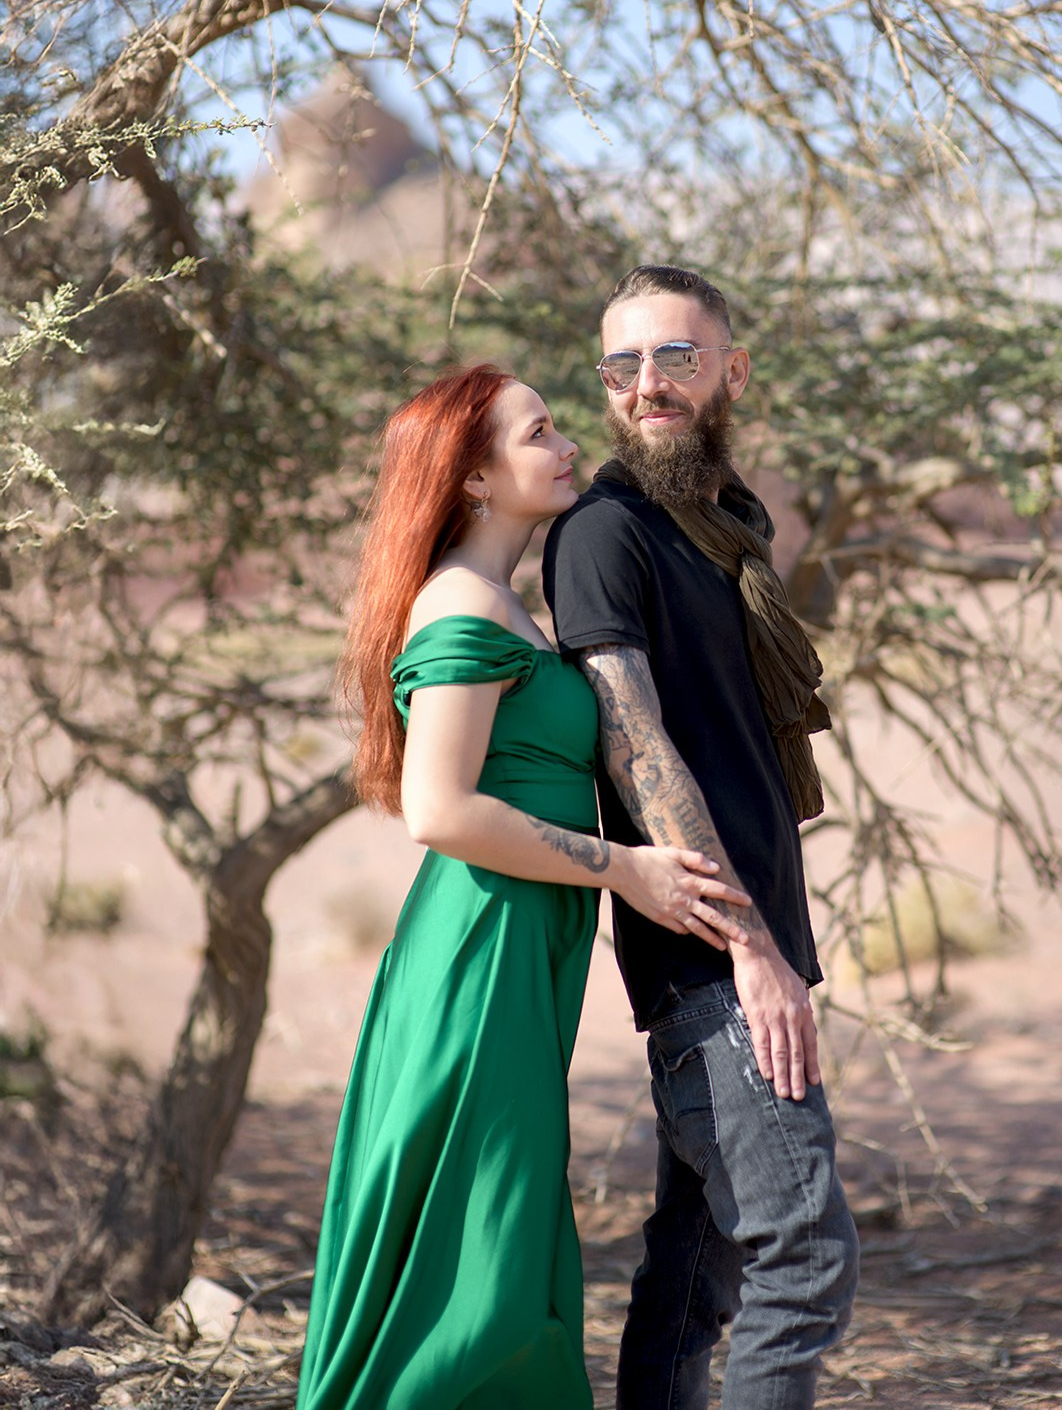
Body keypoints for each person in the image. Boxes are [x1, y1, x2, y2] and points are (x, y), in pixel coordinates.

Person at [296, 363, 752, 1410]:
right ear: (471, 480)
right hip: (480, 951)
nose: (566, 448)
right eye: (538, 433)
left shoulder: (504, 600)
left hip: (517, 944)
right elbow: (439, 810)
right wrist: (626, 869)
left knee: (490, 1233)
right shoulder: (459, 603)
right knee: (480, 1259)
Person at [543, 266, 860, 1409]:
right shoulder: (604, 534)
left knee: (694, 1269)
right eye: (621, 365)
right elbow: (638, 751)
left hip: (744, 946)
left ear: (732, 370)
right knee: (807, 1260)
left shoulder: (726, 523)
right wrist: (752, 952)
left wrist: (775, 941)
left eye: (675, 358)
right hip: (708, 957)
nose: (645, 385)